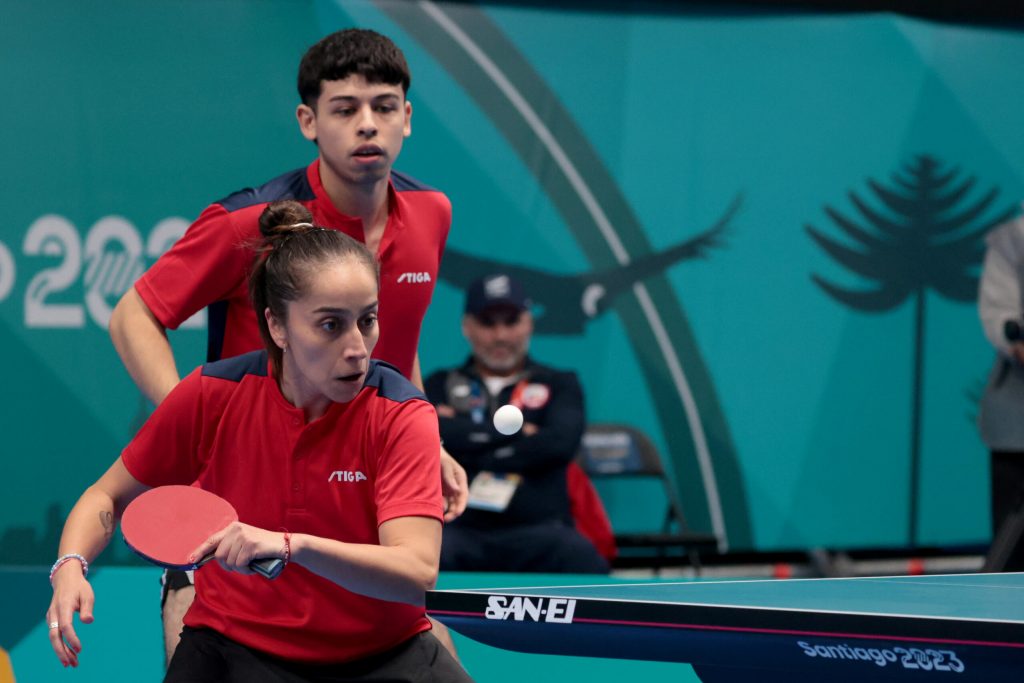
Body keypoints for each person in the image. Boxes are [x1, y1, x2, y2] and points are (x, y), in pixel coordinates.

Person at [107, 28, 467, 661]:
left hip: (345, 510)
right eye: (344, 108)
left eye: (384, 106)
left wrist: (424, 439)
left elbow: (397, 341)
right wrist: (195, 422)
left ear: (407, 118)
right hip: (236, 514)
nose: (367, 125)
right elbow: (134, 314)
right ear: (308, 120)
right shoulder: (252, 221)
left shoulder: (432, 212)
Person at [47, 202, 473, 682]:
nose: (357, 347)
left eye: (367, 320)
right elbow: (106, 495)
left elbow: (416, 571)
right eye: (330, 324)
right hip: (235, 648)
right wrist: (69, 565)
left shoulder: (402, 413)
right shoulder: (212, 395)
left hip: (382, 653)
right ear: (277, 326)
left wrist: (294, 546)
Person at [424, 273, 610, 573]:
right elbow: (426, 440)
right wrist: (518, 435)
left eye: (511, 322)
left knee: (583, 558)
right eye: (487, 323)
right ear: (467, 326)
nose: (500, 335)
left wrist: (464, 435)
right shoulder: (437, 384)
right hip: (460, 529)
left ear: (528, 324)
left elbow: (560, 444)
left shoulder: (560, 383)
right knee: (421, 558)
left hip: (540, 531)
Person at [979, 211, 1024, 571]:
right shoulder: (1012, 238)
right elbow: (1001, 317)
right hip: (1016, 428)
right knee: (1012, 559)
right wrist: (1016, 341)